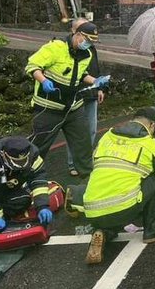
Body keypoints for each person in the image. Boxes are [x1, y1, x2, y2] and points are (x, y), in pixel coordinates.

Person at [84, 108, 155, 264]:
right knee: (154, 176)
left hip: (91, 210)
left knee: (115, 195)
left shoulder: (106, 136)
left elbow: (94, 165)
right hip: (124, 208)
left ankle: (103, 231)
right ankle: (152, 231)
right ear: (152, 126)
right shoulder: (150, 144)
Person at [26, 20, 110, 177]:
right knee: (38, 146)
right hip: (48, 107)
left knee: (83, 143)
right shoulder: (56, 47)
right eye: (88, 40)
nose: (90, 44)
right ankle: (25, 179)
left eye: (93, 42)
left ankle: (87, 177)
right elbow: (32, 65)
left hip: (73, 107)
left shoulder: (87, 54)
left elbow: (81, 74)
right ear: (78, 35)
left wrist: (96, 81)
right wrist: (43, 80)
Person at [66, 17, 103, 177]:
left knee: (91, 130)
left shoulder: (90, 47)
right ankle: (72, 163)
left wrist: (100, 88)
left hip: (91, 92)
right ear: (74, 31)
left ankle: (86, 161)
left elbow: (95, 67)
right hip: (75, 95)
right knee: (75, 132)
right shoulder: (66, 48)